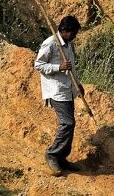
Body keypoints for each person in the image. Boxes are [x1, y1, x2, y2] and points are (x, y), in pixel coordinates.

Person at [34, 15, 85, 176]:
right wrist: (58, 67)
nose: (74, 36)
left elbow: (72, 67)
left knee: (70, 124)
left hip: (67, 89)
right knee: (67, 123)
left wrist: (78, 84)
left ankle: (61, 158)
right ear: (64, 30)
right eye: (73, 33)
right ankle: (52, 154)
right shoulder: (50, 43)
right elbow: (38, 65)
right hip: (56, 90)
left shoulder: (68, 44)